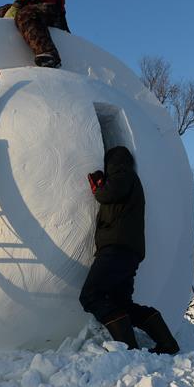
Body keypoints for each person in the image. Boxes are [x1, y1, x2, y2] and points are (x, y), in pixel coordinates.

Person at [79, 146, 179, 354]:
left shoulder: (123, 174)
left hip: (116, 249)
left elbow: (108, 194)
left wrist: (98, 188)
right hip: (128, 251)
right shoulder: (130, 180)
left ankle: (129, 349)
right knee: (122, 303)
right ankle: (167, 343)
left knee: (90, 295)